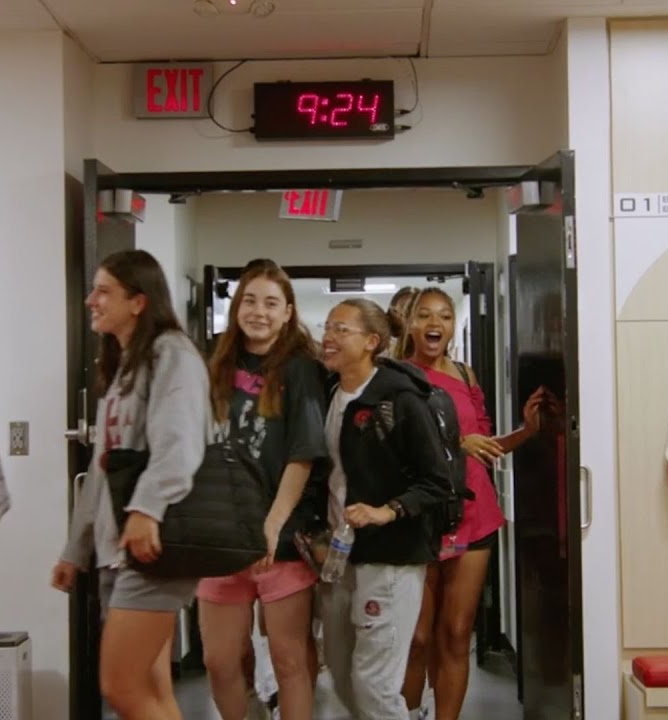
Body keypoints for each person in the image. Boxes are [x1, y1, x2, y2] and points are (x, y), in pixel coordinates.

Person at [51, 249, 208, 720]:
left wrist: (146, 511)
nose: (90, 301)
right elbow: (102, 468)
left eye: (103, 291)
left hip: (150, 545)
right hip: (117, 548)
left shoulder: (171, 353)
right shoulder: (124, 366)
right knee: (151, 688)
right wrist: (75, 549)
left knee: (120, 687)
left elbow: (179, 444)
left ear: (138, 301)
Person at [394, 287, 544, 720]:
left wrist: (526, 431)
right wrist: (457, 444)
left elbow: (485, 443)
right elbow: (395, 448)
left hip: (473, 513)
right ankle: (407, 714)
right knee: (417, 637)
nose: (434, 323)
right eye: (424, 315)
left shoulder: (465, 375)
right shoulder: (394, 376)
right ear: (411, 324)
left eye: (443, 315)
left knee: (457, 633)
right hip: (419, 517)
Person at [196, 259, 327, 720]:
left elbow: (303, 454)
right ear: (236, 308)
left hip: (279, 537)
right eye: (249, 300)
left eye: (272, 303)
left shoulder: (300, 370)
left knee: (289, 659)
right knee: (219, 661)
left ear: (288, 312)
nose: (259, 312)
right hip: (218, 535)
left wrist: (272, 525)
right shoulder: (211, 362)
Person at [314, 298, 452, 720]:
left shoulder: (400, 401)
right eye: (328, 327)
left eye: (342, 329)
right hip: (340, 557)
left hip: (391, 557)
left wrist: (387, 510)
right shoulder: (330, 394)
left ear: (372, 342)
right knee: (339, 674)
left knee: (374, 684)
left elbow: (438, 483)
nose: (329, 337)